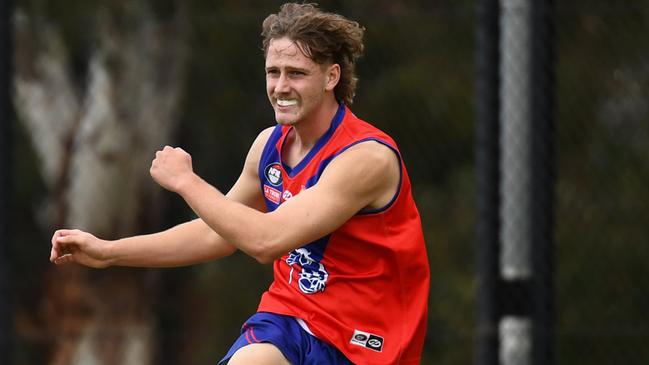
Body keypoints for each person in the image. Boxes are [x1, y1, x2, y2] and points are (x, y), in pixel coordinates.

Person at [50, 3, 430, 364]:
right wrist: (109, 251)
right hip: (290, 318)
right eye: (273, 71)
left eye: (296, 73)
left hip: (363, 342)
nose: (281, 86)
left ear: (332, 76)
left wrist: (186, 182)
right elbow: (217, 234)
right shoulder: (269, 146)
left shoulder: (366, 158)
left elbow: (266, 241)